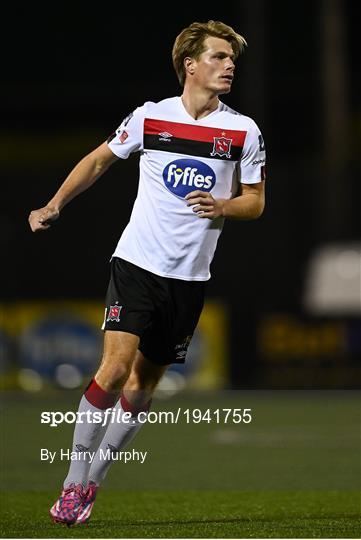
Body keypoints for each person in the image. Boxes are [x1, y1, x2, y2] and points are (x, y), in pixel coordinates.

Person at [28, 20, 266, 526]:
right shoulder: (150, 118)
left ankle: (96, 480)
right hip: (137, 261)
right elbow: (98, 161)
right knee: (113, 370)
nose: (229, 67)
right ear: (191, 65)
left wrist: (223, 204)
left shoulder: (243, 130)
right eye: (220, 57)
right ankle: (72, 483)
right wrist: (54, 204)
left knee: (141, 387)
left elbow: (256, 204)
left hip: (190, 278)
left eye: (232, 61)